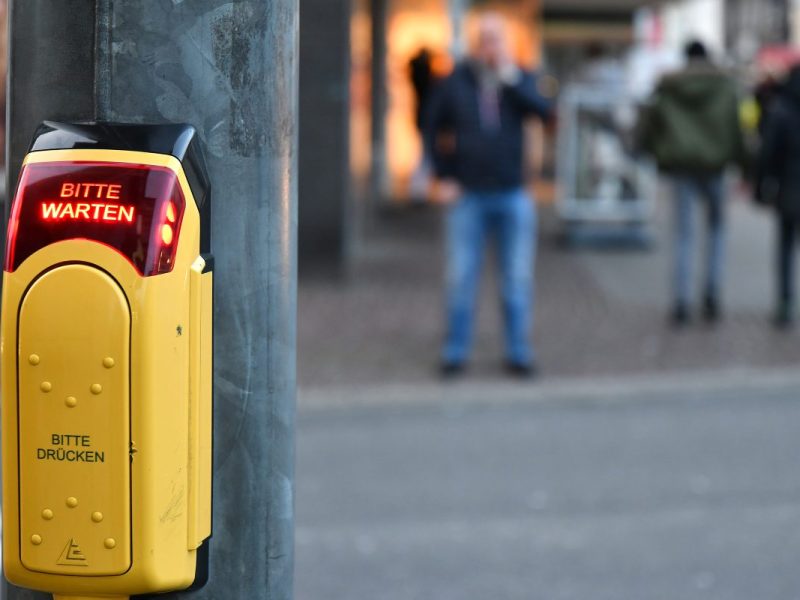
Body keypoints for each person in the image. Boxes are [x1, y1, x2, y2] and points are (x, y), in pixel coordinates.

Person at [425, 12, 553, 377]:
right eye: (485, 39)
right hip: (468, 196)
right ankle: (455, 351)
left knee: (516, 278)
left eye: (497, 39)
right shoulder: (455, 82)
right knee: (460, 277)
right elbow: (432, 128)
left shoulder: (520, 78)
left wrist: (510, 76)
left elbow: (543, 111)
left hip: (513, 193)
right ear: (475, 44)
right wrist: (443, 175)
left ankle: (518, 351)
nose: (491, 46)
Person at [637, 40, 746, 326]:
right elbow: (736, 127)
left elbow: (651, 124)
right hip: (716, 166)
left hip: (681, 166)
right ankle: (712, 291)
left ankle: (681, 300)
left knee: (684, 234)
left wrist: (653, 154)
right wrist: (744, 164)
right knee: (717, 232)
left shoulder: (670, 86)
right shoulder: (724, 85)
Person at [757, 65, 800, 327]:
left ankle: (785, 303)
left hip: (789, 189)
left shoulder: (781, 109)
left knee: (785, 248)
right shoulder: (780, 108)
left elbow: (768, 155)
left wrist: (762, 188)